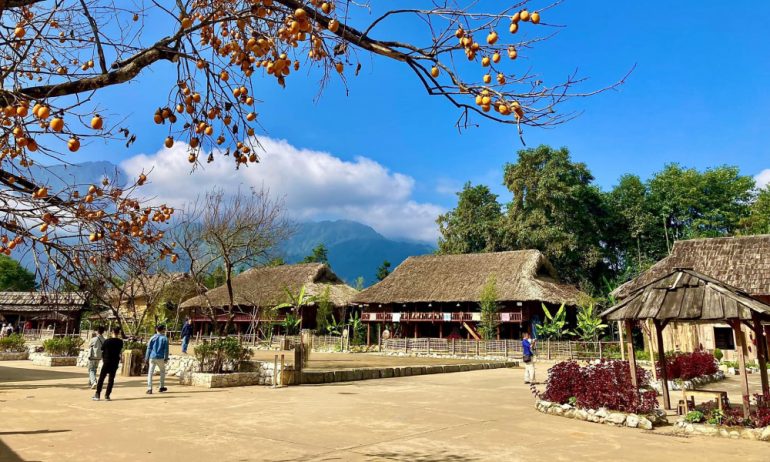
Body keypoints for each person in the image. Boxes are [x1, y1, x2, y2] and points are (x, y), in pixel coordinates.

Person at [93, 327, 124, 401]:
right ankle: (107, 395)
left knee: (101, 378)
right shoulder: (120, 342)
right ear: (118, 333)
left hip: (107, 361)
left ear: (112, 332)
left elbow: (102, 349)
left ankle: (97, 394)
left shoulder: (107, 341)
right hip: (115, 362)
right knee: (111, 379)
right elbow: (120, 351)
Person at [145, 325, 169, 394]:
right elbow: (166, 350)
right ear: (162, 330)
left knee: (150, 373)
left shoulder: (152, 337)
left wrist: (146, 357)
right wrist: (166, 358)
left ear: (156, 330)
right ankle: (161, 387)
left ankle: (149, 389)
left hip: (152, 357)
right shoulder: (165, 338)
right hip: (160, 357)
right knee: (162, 371)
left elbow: (149, 348)